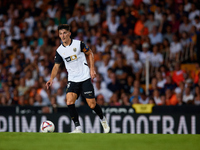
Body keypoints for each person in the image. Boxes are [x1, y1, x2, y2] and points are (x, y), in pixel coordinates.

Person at [46, 24, 110, 133]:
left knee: (92, 104)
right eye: (61, 33)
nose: (63, 35)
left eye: (65, 33)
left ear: (69, 33)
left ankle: (103, 120)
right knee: (69, 101)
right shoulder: (60, 50)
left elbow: (90, 53)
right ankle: (78, 128)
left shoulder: (78, 44)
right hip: (72, 79)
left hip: (84, 77)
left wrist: (92, 69)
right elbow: (56, 66)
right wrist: (51, 79)